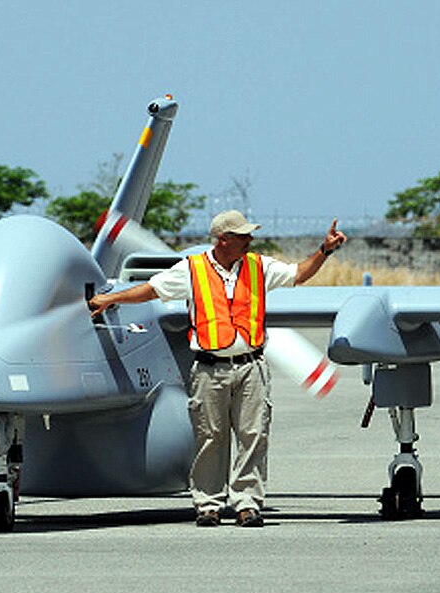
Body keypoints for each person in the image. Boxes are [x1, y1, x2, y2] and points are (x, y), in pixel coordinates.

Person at [88, 210, 347, 527]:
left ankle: (247, 503)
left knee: (254, 435)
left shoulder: (259, 266)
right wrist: (110, 300)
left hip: (252, 367)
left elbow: (299, 274)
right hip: (209, 369)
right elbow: (152, 290)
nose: (250, 240)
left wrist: (325, 251)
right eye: (243, 235)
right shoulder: (191, 270)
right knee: (210, 436)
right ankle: (208, 504)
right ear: (224, 239)